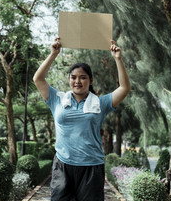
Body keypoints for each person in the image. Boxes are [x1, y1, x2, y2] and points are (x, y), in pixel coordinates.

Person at [33, 37, 131, 201]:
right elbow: (38, 79)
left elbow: (124, 88)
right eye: (73, 77)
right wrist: (53, 54)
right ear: (69, 79)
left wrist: (118, 59)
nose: (77, 81)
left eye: (83, 77)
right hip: (63, 166)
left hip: (91, 166)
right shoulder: (57, 99)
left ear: (91, 80)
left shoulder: (100, 103)